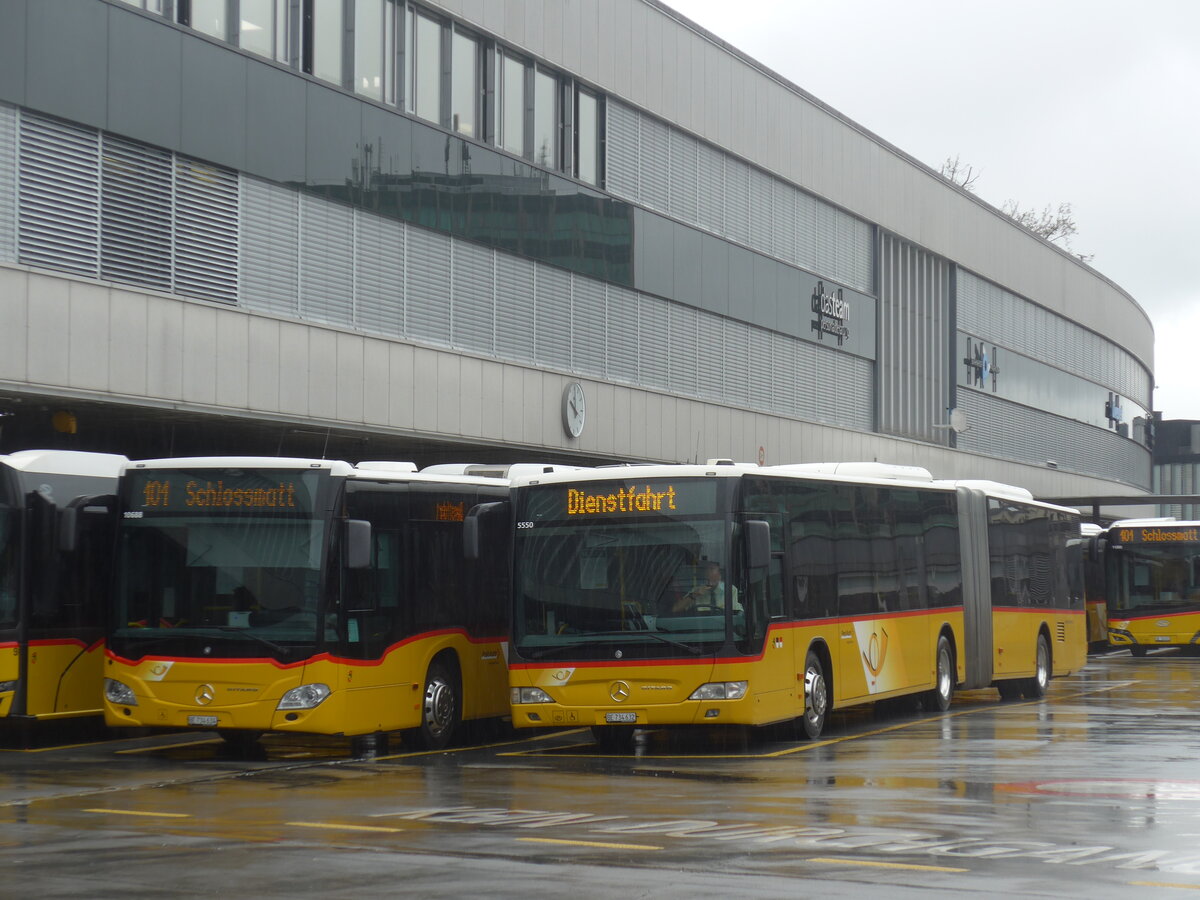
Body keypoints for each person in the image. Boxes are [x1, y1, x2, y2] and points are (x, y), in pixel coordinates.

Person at [672, 561, 737, 613]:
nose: (709, 572)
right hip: (701, 626)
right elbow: (676, 609)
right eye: (707, 570)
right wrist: (694, 595)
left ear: (719, 574)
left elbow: (736, 614)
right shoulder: (696, 590)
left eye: (712, 569)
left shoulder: (730, 589)